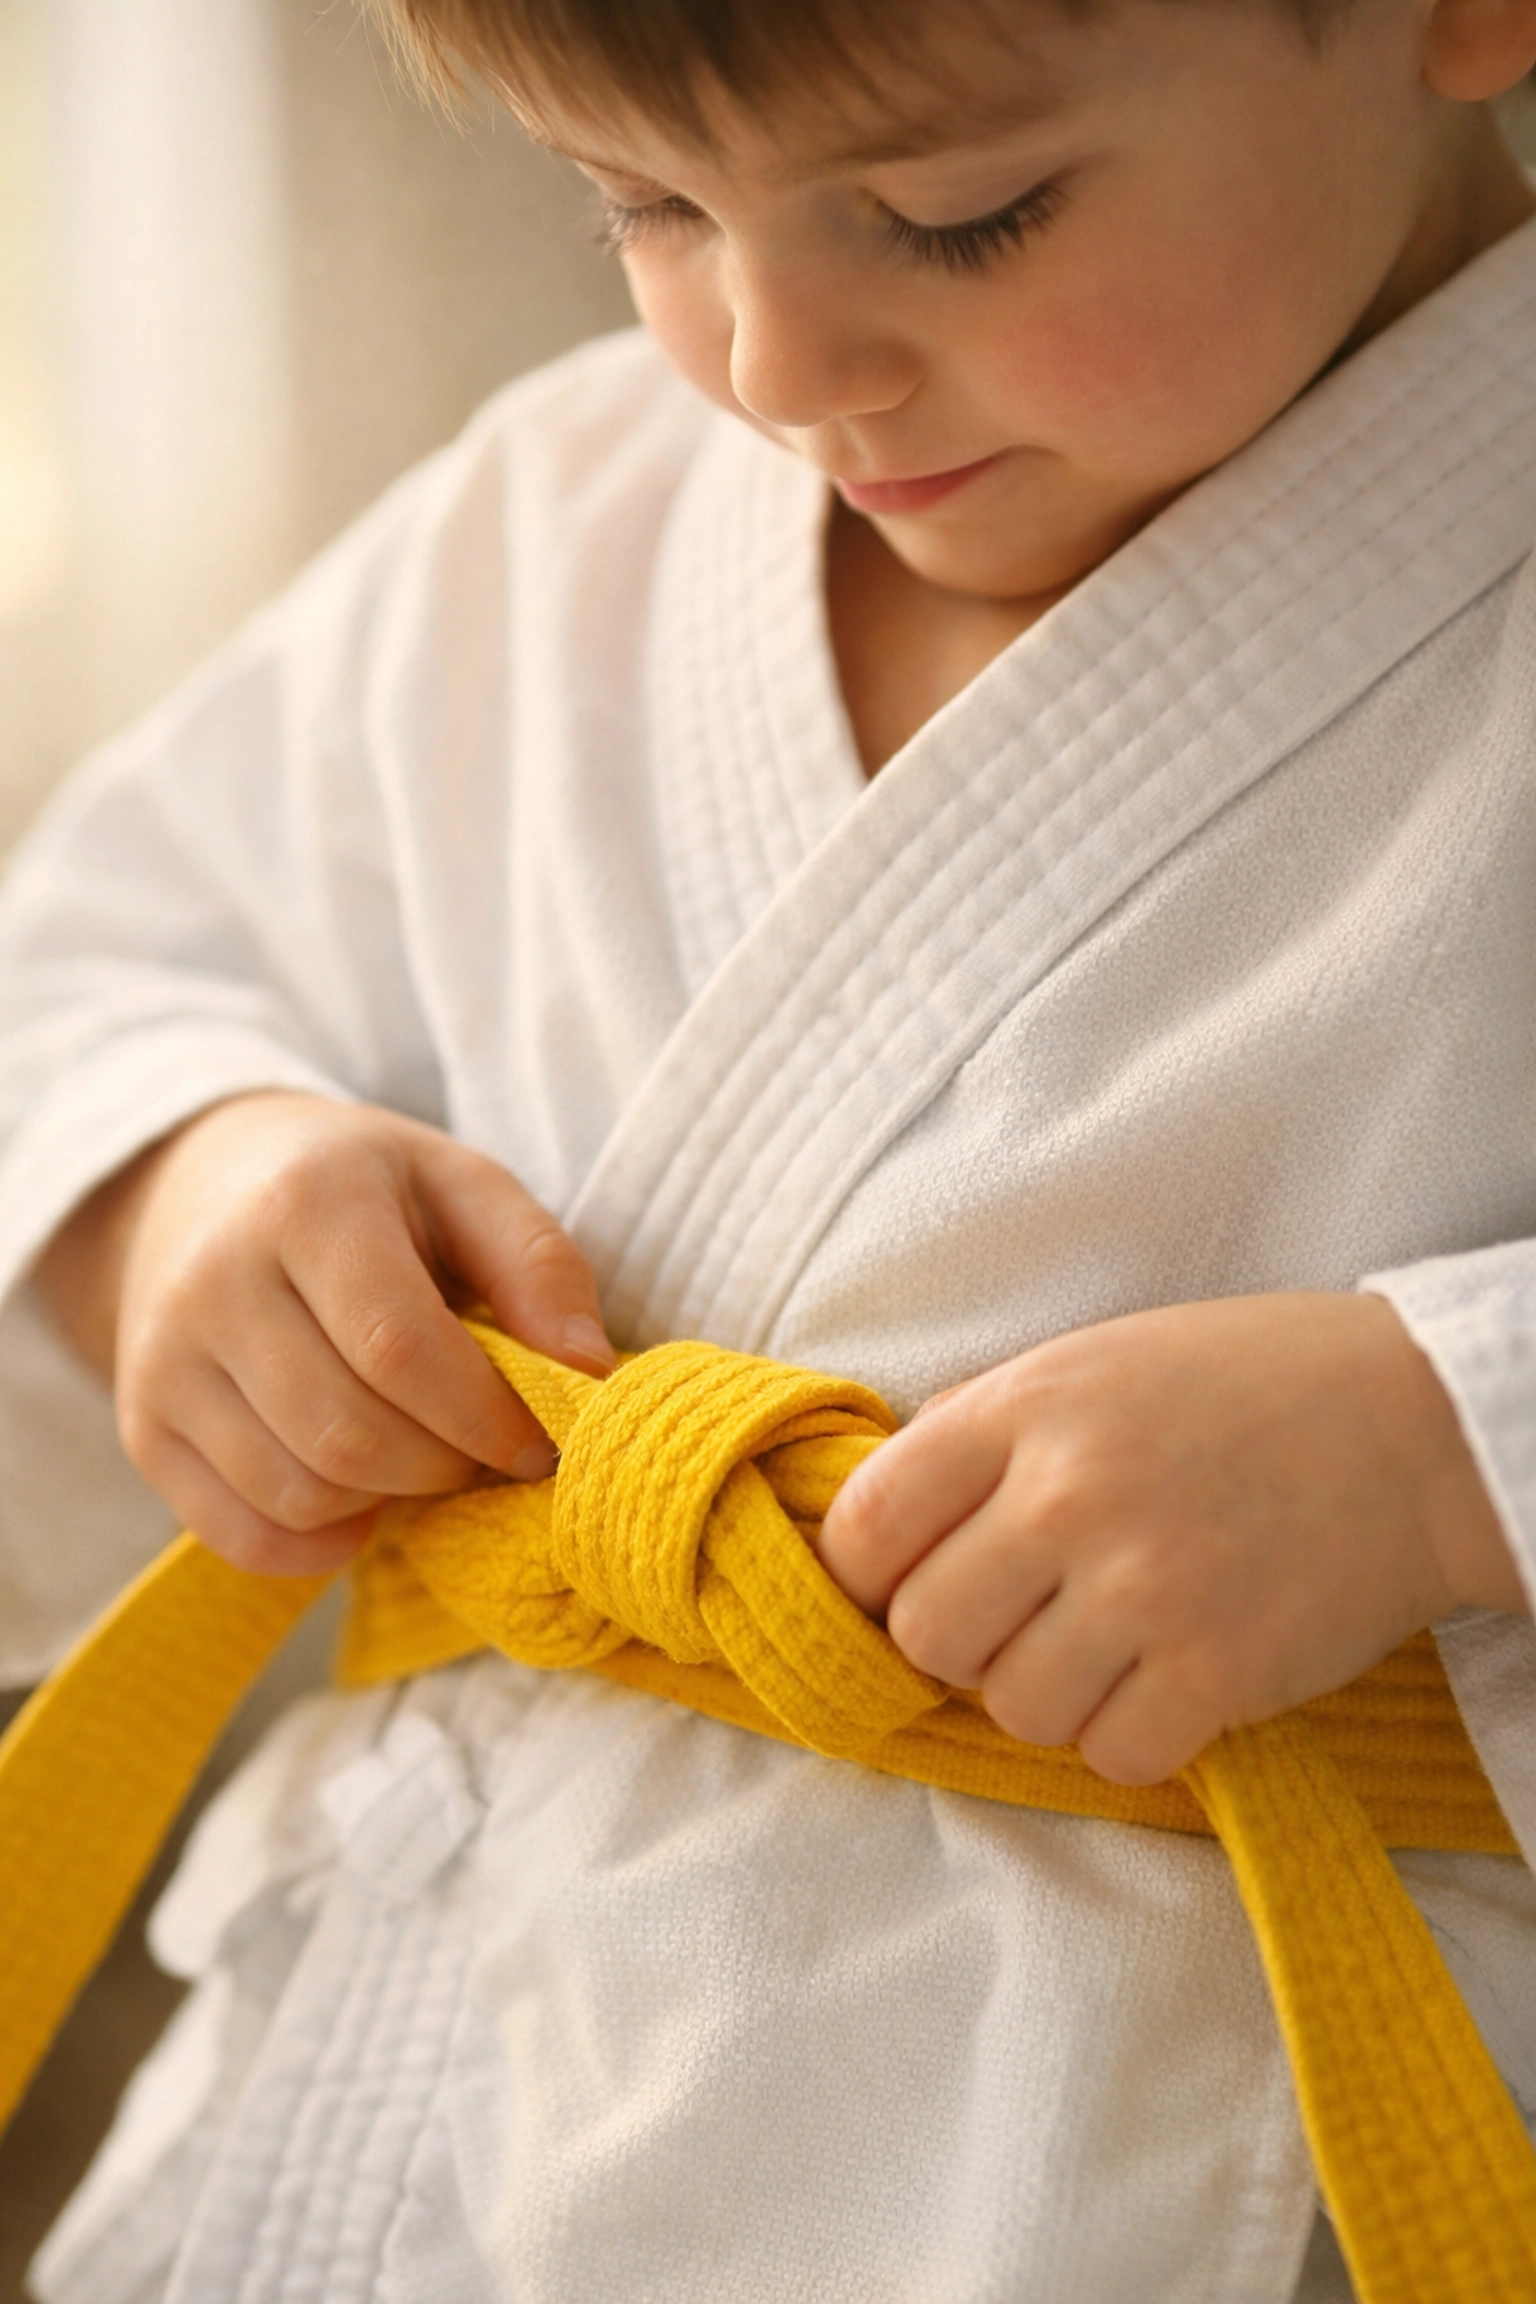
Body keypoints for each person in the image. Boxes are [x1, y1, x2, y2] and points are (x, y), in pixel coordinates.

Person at [7, 0, 1536, 2295]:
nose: (774, 360)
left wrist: (1446, 1439)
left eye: (961, 215)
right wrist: (179, 1191)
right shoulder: (548, 526)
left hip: (1160, 2158)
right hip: (427, 2088)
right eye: (640, 205)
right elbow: (90, 982)